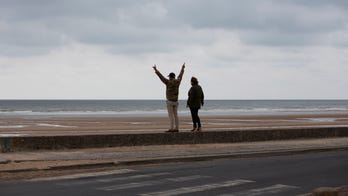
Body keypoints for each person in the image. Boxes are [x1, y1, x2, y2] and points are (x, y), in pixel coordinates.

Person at [153, 63, 185, 132]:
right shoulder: (178, 81)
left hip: (170, 101)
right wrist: (182, 68)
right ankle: (177, 128)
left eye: (169, 77)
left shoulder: (168, 82)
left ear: (170, 77)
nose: (168, 78)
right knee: (176, 115)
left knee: (171, 116)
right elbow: (180, 75)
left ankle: (171, 128)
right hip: (176, 101)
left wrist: (156, 70)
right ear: (174, 76)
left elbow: (161, 77)